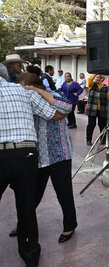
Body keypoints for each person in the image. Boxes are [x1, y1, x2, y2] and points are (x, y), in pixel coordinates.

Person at [0, 63, 64, 267]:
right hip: (26, 153)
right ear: (6, 76)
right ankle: (30, 254)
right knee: (26, 206)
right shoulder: (22, 91)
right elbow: (54, 113)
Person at [11, 72, 78, 244]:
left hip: (59, 154)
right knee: (32, 194)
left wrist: (37, 91)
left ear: (34, 85)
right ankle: (23, 224)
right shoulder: (23, 99)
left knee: (64, 193)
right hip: (38, 155)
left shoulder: (55, 95)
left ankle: (70, 225)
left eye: (25, 87)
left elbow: (66, 107)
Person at [85, 74, 109, 146]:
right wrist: (96, 72)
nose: (98, 79)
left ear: (102, 79)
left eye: (100, 77)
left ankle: (103, 139)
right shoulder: (92, 85)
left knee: (102, 125)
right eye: (97, 77)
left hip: (102, 109)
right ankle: (88, 139)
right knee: (91, 124)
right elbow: (90, 79)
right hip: (92, 109)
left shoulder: (105, 86)